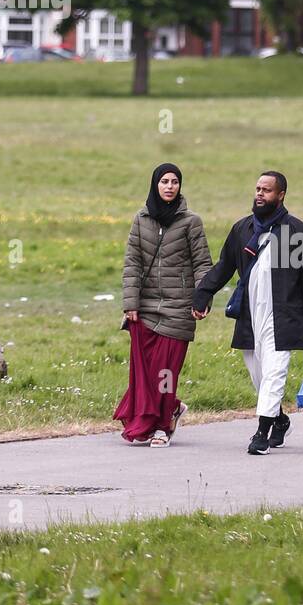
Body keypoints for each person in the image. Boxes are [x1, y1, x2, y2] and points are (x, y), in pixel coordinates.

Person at [191, 171, 303, 456]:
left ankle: (261, 434)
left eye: (266, 190)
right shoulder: (242, 229)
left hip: (284, 316)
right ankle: (279, 420)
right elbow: (224, 266)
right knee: (259, 377)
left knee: (274, 374)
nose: (260, 194)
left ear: (281, 195)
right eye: (257, 189)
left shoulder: (296, 231)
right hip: (249, 316)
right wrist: (203, 294)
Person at [114, 162, 212, 447]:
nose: (170, 186)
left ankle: (162, 427)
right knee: (145, 373)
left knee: (165, 373)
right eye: (164, 181)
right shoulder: (141, 219)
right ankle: (170, 409)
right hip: (144, 309)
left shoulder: (191, 222)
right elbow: (132, 263)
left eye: (175, 182)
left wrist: (202, 298)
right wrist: (130, 304)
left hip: (178, 309)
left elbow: (202, 264)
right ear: (155, 185)